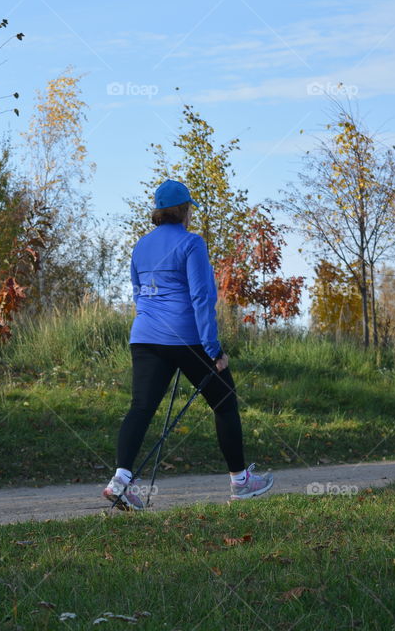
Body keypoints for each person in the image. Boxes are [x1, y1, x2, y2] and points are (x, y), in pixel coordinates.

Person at [103, 179, 275, 510]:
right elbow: (202, 297)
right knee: (225, 402)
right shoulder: (192, 243)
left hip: (145, 336)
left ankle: (120, 482)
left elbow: (139, 294)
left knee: (141, 407)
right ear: (184, 211)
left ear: (157, 212)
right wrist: (213, 349)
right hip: (187, 337)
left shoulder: (140, 246)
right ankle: (241, 482)